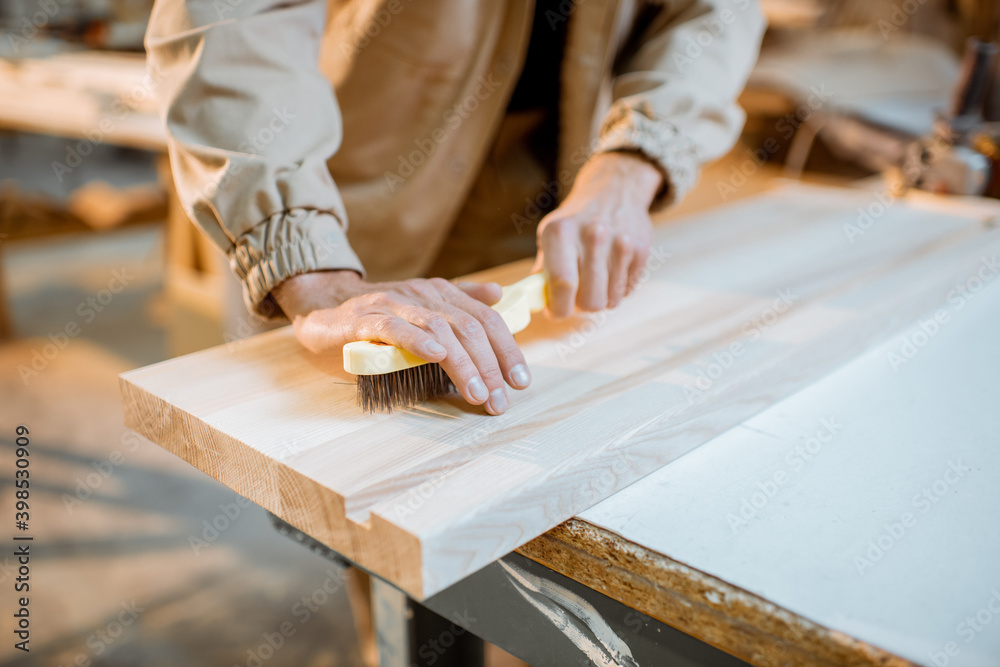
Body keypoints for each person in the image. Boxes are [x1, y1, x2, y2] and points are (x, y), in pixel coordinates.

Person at [146, 0, 765, 415]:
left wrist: (637, 155)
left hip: (557, 169)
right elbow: (230, 20)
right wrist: (308, 261)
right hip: (352, 189)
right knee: (379, 465)